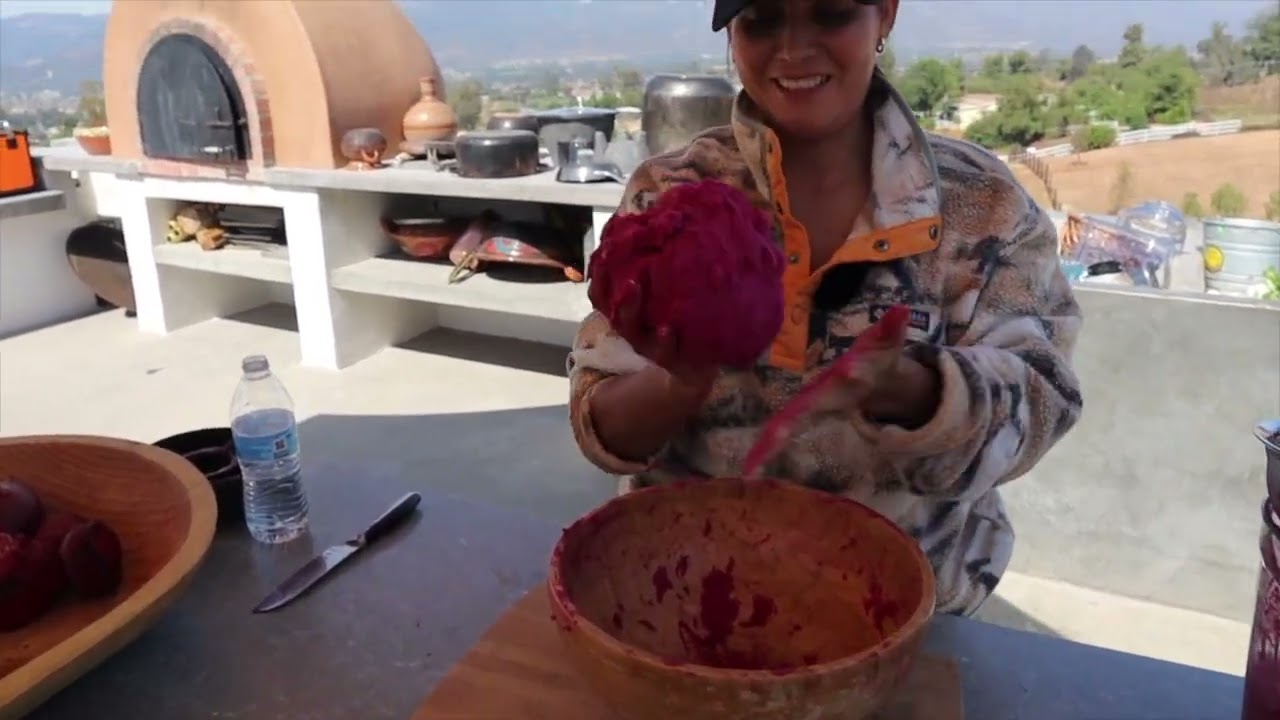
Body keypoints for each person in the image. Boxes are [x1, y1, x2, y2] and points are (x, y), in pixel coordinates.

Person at [565, 0, 1084, 617]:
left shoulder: (982, 205)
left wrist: (914, 389)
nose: (793, 48)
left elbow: (1043, 402)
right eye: (760, 19)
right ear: (732, 34)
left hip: (900, 618)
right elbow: (601, 426)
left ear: (885, 16)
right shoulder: (673, 196)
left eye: (831, 12)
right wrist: (679, 382)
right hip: (689, 599)